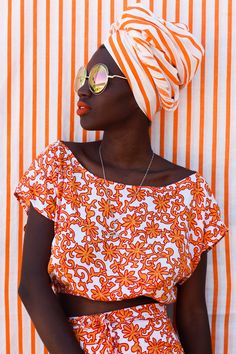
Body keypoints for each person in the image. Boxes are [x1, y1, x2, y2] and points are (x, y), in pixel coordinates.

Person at [13, 4, 229, 354]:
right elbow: (31, 285)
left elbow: (191, 314)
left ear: (141, 88)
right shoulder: (60, 166)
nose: (83, 90)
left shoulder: (190, 194)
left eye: (98, 78)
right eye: (84, 76)